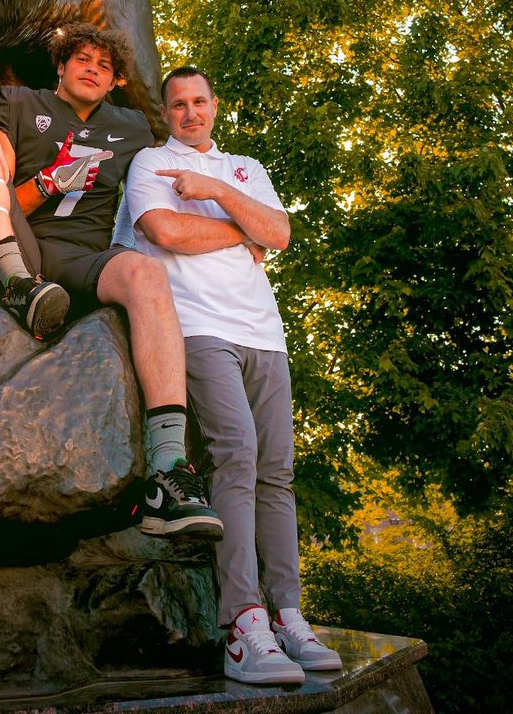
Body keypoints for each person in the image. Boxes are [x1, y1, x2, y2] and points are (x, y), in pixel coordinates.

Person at [0, 24, 222, 540]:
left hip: (82, 260)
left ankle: (169, 468)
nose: (92, 68)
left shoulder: (133, 126)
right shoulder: (18, 102)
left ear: (117, 80)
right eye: (82, 58)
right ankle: (17, 286)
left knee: (145, 272)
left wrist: (241, 222)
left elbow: (185, 157)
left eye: (104, 64)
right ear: (61, 64)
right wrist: (50, 181)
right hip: (18, 244)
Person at [123, 65, 342, 684]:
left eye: (199, 102)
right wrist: (239, 230)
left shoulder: (246, 168)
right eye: (177, 106)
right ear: (164, 115)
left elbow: (280, 233)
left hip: (263, 334)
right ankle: (243, 626)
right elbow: (165, 230)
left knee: (278, 471)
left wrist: (218, 193)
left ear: (215, 106)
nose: (189, 114)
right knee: (237, 454)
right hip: (197, 328)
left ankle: (289, 616)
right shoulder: (151, 165)